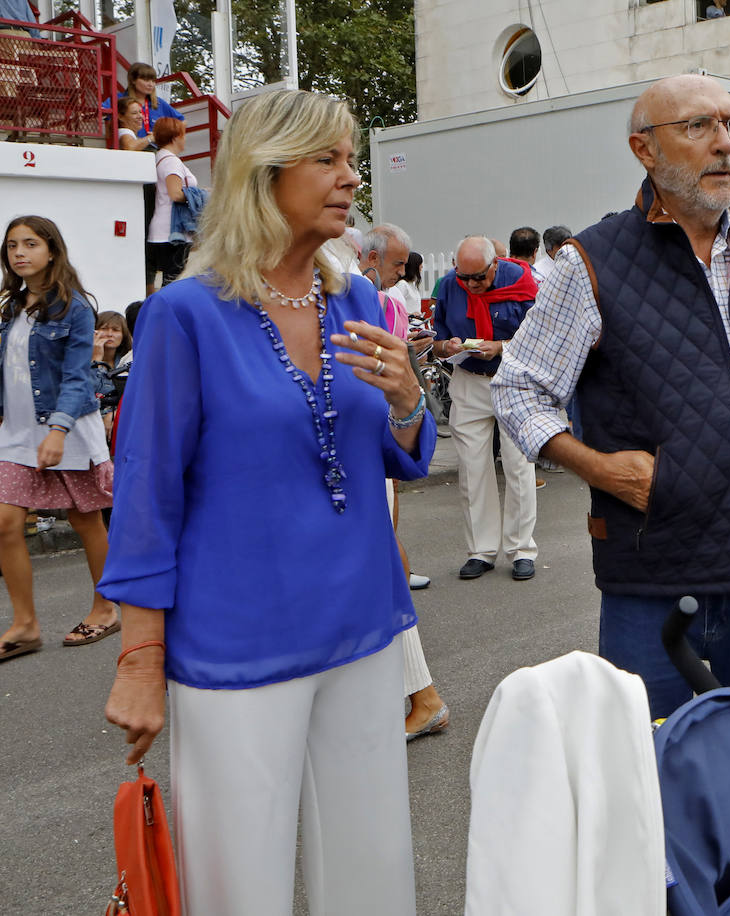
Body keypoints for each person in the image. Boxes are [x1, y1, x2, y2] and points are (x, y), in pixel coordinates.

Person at [100, 89, 435, 915]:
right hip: (235, 643)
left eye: (350, 159)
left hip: (362, 623)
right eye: (326, 159)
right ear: (264, 171)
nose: (348, 178)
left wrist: (407, 399)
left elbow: (397, 452)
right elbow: (146, 492)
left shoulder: (357, 300)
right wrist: (141, 660)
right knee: (237, 882)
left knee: (373, 870)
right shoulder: (186, 315)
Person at [491, 73, 730, 719]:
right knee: (656, 781)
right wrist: (598, 466)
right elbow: (519, 387)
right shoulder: (593, 261)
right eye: (699, 127)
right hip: (652, 584)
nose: (724, 144)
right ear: (644, 150)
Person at [0, 216, 122, 663]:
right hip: (15, 432)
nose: (19, 253)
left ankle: (106, 608)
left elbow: (77, 376)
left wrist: (58, 428)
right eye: (12, 245)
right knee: (4, 523)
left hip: (67, 428)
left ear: (52, 250)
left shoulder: (75, 308)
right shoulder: (9, 306)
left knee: (85, 519)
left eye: (30, 244)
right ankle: (25, 625)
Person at [357, 222, 449, 738]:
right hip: (370, 441)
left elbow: (393, 383)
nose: (401, 273)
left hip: (375, 442)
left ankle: (423, 697)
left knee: (386, 561)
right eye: (396, 263)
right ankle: (421, 696)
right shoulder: (358, 290)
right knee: (387, 561)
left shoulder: (364, 293)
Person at [432, 236, 540, 581]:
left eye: (478, 277)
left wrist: (501, 347)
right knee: (472, 467)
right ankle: (481, 550)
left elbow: (539, 337)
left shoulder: (521, 282)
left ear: (495, 265)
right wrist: (446, 346)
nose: (471, 285)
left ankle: (522, 549)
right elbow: (436, 339)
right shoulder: (451, 285)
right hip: (468, 379)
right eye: (464, 278)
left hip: (512, 380)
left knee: (518, 465)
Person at [146, 116, 197, 292]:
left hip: (162, 229)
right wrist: (199, 195)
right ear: (175, 137)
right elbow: (175, 193)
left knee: (170, 281)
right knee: (173, 282)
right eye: (183, 134)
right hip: (172, 230)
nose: (185, 138)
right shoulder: (171, 161)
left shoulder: (160, 158)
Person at [91, 310, 131, 440]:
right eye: (104, 329)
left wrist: (115, 413)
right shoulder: (81, 359)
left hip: (121, 426)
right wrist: (95, 359)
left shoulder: (129, 360)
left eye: (115, 330)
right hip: (91, 426)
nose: (109, 334)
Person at [118, 61, 183, 140]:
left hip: (154, 148)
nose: (151, 84)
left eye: (153, 81)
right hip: (131, 147)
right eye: (146, 80)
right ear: (133, 80)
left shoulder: (158, 102)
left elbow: (182, 122)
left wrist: (164, 135)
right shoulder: (118, 98)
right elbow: (103, 114)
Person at [386, 250, 425, 316]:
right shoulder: (402, 284)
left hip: (417, 324)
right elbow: (395, 307)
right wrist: (410, 315)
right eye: (420, 264)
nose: (422, 266)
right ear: (414, 266)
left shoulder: (412, 284)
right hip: (409, 325)